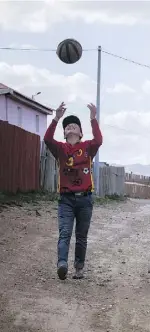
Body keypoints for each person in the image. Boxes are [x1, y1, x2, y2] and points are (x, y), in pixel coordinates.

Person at [44, 102, 103, 280]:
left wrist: (93, 118)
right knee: (65, 233)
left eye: (74, 125)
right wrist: (56, 118)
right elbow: (47, 139)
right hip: (66, 199)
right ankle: (62, 264)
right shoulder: (60, 149)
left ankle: (79, 267)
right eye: (67, 126)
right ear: (64, 133)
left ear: (80, 132)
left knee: (81, 236)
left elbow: (99, 140)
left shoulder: (87, 147)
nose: (70, 126)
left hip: (85, 199)